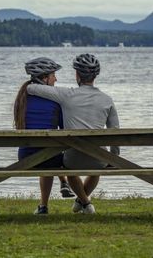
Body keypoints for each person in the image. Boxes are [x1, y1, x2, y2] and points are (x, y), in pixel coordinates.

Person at [27, 53, 120, 214]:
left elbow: (32, 88)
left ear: (77, 74)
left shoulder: (66, 95)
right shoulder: (107, 100)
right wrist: (113, 157)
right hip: (99, 159)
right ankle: (83, 202)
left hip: (72, 160)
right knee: (97, 166)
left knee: (69, 169)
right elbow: (115, 133)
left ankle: (84, 202)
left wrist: (32, 81)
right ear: (95, 76)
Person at [14, 57, 74, 215]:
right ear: (44, 78)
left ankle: (43, 207)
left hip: (25, 156)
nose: (56, 79)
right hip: (50, 157)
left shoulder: (21, 99)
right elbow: (64, 128)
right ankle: (78, 196)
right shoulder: (55, 101)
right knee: (54, 155)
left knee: (45, 153)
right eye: (53, 75)